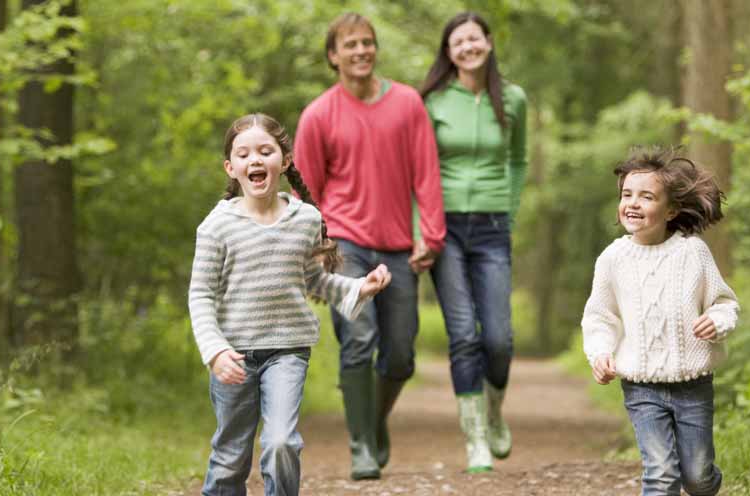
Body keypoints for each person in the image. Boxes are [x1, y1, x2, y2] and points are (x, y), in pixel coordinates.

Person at [189, 113, 393, 496]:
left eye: (266, 151)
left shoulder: (305, 219)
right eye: (244, 154)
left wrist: (360, 288)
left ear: (284, 161)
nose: (255, 160)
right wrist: (215, 352)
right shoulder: (216, 227)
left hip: (287, 351)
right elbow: (200, 294)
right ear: (231, 167)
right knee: (231, 455)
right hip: (232, 357)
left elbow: (312, 281)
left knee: (281, 443)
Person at [293, 12, 446, 480]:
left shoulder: (406, 103)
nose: (361, 50)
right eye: (350, 44)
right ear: (333, 56)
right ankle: (361, 445)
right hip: (345, 246)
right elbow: (305, 191)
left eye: (367, 42)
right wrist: (317, 251)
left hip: (399, 246)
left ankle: (372, 421)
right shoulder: (319, 114)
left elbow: (426, 172)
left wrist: (431, 235)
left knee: (400, 354)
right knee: (359, 341)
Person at [581, 148, 739, 496]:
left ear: (671, 210)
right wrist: (601, 353)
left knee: (696, 477)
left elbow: (725, 303)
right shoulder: (613, 259)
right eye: (627, 195)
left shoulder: (692, 252)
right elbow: (599, 316)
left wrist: (716, 321)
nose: (633, 203)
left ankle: (709, 482)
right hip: (642, 386)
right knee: (661, 473)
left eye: (646, 196)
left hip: (692, 384)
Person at [417, 11, 529, 473]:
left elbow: (518, 160)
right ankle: (475, 439)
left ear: (488, 42)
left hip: (492, 226)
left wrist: (509, 206)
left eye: (474, 38)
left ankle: (494, 410)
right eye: (457, 42)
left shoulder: (515, 99)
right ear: (448, 52)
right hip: (444, 229)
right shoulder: (434, 102)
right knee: (463, 335)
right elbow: (418, 169)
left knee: (498, 338)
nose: (467, 47)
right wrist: (420, 229)